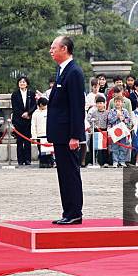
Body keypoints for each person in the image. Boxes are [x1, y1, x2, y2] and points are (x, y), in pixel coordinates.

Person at [47, 36, 86, 225]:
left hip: (68, 135)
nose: (51, 51)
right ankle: (68, 211)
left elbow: (77, 106)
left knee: (70, 173)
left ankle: (75, 212)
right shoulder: (62, 71)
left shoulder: (74, 72)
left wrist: (75, 135)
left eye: (53, 47)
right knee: (63, 173)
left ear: (64, 49)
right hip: (59, 134)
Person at [11, 76, 37, 166]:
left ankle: (27, 159)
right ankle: (20, 160)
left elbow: (34, 105)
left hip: (28, 119)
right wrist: (22, 114)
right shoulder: (15, 94)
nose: (22, 83)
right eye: (20, 82)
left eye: (24, 82)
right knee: (19, 141)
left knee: (27, 140)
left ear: (27, 84)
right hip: (18, 119)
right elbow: (15, 107)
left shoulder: (31, 93)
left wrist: (28, 113)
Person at [108, 96, 132, 167]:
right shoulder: (112, 111)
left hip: (123, 131)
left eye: (119, 102)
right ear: (114, 103)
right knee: (115, 146)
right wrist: (117, 117)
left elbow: (128, 120)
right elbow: (110, 120)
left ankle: (122, 161)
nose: (118, 103)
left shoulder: (125, 111)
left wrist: (123, 119)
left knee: (123, 146)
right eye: (116, 102)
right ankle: (115, 161)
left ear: (122, 103)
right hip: (115, 132)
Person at [87, 95, 110, 167]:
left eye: (101, 103)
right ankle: (92, 161)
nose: (99, 105)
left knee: (104, 147)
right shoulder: (94, 113)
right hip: (95, 131)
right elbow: (90, 122)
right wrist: (91, 130)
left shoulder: (107, 113)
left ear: (104, 104)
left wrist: (108, 131)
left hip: (104, 131)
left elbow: (109, 122)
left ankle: (105, 162)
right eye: (98, 103)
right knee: (92, 146)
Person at [31, 97, 53, 168]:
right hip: (39, 135)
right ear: (40, 104)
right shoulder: (35, 113)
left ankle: (50, 162)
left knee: (49, 151)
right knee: (41, 151)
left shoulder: (49, 112)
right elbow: (33, 125)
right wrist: (34, 137)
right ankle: (43, 163)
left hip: (48, 134)